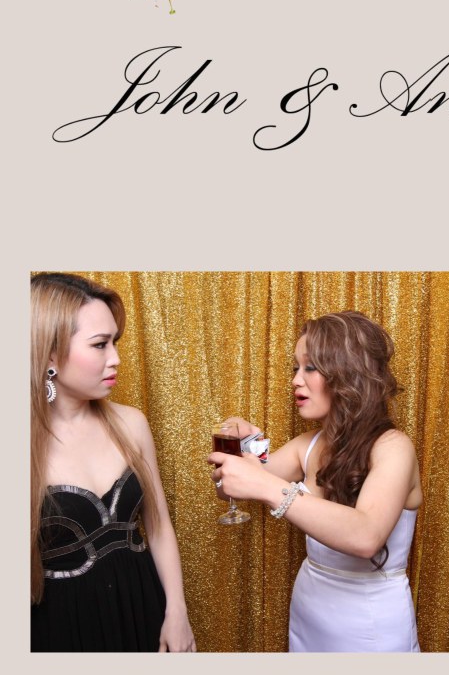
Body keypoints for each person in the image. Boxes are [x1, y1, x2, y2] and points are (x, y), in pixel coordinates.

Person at [206, 311, 422, 651]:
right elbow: (227, 489)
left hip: (370, 624)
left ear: (348, 373)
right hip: (310, 610)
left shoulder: (393, 447)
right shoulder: (307, 445)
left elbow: (366, 536)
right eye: (296, 368)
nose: (295, 380)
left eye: (310, 367)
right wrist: (239, 448)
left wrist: (265, 485)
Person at [31, 272, 196, 651]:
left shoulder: (131, 423)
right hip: (62, 625)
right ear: (50, 352)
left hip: (143, 605)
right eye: (100, 345)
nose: (116, 359)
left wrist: (177, 611)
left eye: (115, 342)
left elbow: (158, 525)